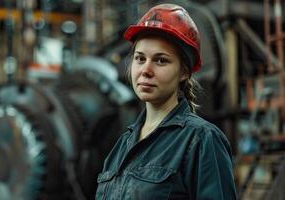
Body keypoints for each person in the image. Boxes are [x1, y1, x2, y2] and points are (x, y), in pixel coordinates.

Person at [95, 3, 237, 200]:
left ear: (184, 72)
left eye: (161, 60)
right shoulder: (122, 145)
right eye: (140, 58)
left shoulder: (202, 140)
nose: (146, 70)